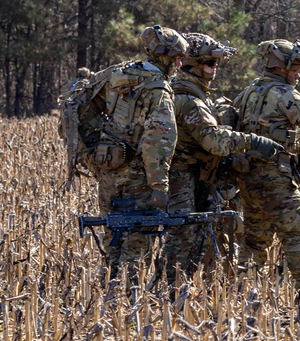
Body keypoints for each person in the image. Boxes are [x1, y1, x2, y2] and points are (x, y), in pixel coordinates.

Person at [163, 33, 283, 286]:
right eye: (209, 63)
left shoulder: (196, 94)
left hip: (200, 177)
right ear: (190, 65)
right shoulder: (188, 99)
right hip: (182, 179)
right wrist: (253, 142)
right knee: (183, 239)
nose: (214, 68)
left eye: (216, 63)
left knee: (207, 236)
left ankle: (206, 289)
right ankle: (168, 290)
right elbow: (214, 141)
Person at [93, 25, 187, 284]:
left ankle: (108, 292)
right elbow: (158, 140)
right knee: (137, 238)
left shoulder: (117, 75)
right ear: (164, 56)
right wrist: (159, 186)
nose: (179, 63)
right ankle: (127, 298)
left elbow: (81, 106)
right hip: (138, 177)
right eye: (177, 58)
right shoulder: (158, 89)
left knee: (113, 236)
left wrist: (93, 154)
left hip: (108, 170)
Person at [232, 39, 300, 288]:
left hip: (248, 178)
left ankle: (243, 292)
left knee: (254, 241)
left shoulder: (249, 91)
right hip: (277, 177)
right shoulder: (286, 94)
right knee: (297, 235)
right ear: (280, 67)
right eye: (295, 68)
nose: (299, 73)